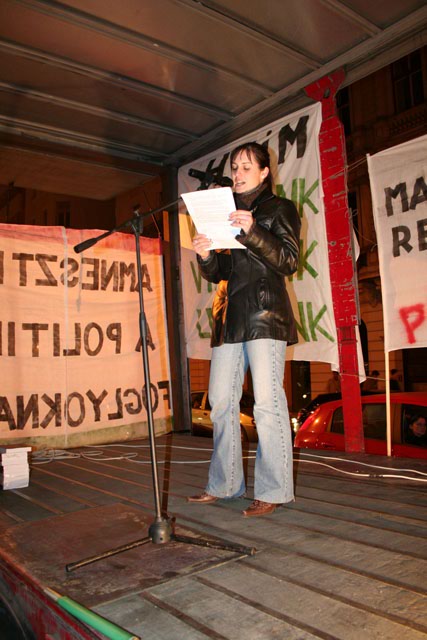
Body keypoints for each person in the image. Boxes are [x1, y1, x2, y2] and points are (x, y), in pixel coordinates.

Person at [187, 141, 300, 517]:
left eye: (246, 167)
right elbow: (223, 271)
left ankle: (274, 490)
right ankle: (224, 483)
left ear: (265, 172)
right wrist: (206, 256)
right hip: (229, 316)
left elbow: (288, 260)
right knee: (221, 401)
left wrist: (252, 230)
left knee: (267, 404)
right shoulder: (226, 212)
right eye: (234, 167)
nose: (237, 173)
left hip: (265, 314)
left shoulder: (279, 208)